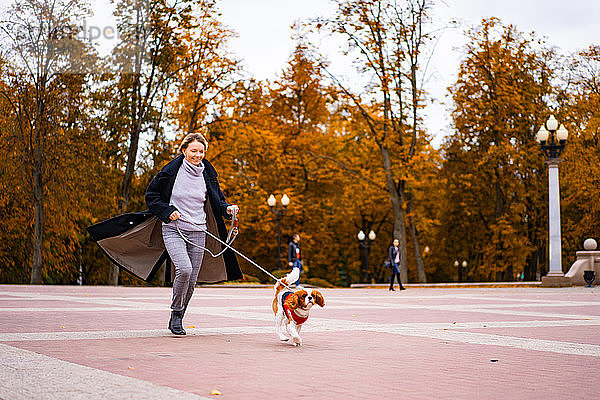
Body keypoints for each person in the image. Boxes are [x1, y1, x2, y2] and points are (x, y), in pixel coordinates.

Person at [145, 133, 241, 335]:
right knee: (185, 270)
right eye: (193, 151)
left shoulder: (207, 173)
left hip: (199, 232)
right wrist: (167, 211)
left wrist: (227, 209)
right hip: (174, 229)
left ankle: (178, 316)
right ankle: (176, 311)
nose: (198, 155)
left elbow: (218, 201)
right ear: (184, 151)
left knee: (192, 279)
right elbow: (151, 195)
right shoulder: (171, 171)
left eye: (201, 151)